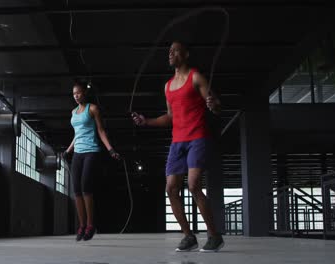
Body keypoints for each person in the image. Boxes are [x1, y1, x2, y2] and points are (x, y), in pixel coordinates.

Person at [132, 40, 224, 252]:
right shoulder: (167, 86)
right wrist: (146, 121)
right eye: (169, 51)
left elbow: (216, 105)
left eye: (175, 50)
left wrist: (214, 105)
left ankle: (214, 235)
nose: (170, 54)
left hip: (198, 138)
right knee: (171, 188)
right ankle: (188, 236)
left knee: (193, 185)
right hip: (177, 142)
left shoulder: (196, 77)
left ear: (186, 54)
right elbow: (170, 117)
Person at [63, 81, 120, 241]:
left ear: (84, 93)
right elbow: (77, 134)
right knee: (76, 190)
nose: (76, 96)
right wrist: (68, 150)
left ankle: (90, 225)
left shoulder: (92, 109)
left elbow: (101, 131)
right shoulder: (73, 112)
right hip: (78, 152)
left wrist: (110, 149)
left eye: (79, 93)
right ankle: (81, 226)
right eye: (74, 94)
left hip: (91, 151)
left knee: (85, 186)